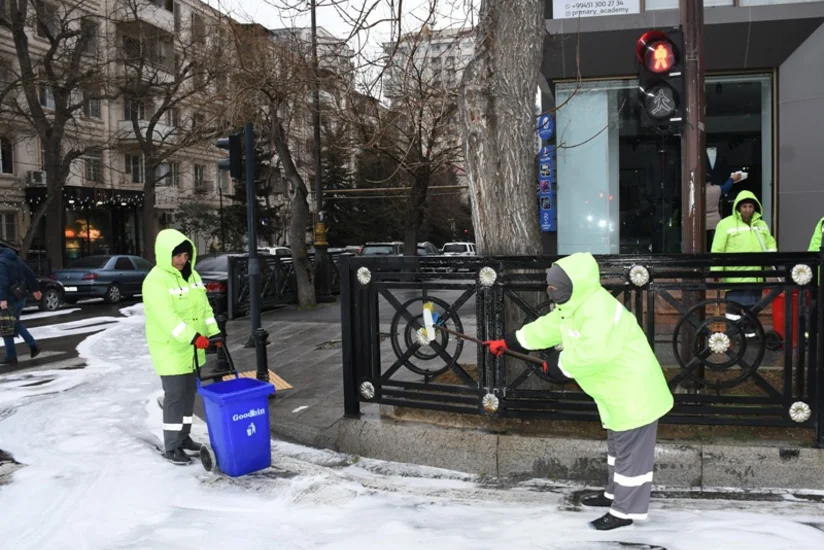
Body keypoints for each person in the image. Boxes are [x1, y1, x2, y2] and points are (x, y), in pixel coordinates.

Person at [483, 252, 673, 531]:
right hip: (616, 392)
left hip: (635, 391)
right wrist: (512, 341)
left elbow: (594, 353)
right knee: (618, 448)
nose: (551, 292)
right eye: (549, 286)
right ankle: (613, 494)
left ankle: (625, 511)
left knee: (632, 455)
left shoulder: (600, 310)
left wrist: (560, 366)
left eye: (556, 287)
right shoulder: (573, 305)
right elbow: (550, 327)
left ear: (575, 284)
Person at [143, 229, 220, 465]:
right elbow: (167, 318)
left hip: (191, 349)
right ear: (166, 255)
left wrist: (213, 331)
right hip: (171, 349)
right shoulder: (155, 280)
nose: (182, 261)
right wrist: (193, 337)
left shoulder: (192, 275)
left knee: (188, 395)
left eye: (186, 256)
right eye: (178, 256)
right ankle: (172, 446)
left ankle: (184, 438)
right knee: (175, 397)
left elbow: (204, 308)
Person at [711, 191, 777, 336]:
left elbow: (770, 243)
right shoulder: (725, 224)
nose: (747, 209)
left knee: (753, 308)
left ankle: (750, 334)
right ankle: (733, 333)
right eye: (744, 206)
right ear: (738, 208)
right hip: (735, 275)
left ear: (755, 207)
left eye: (750, 206)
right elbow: (718, 249)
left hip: (755, 275)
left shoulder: (762, 225)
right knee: (734, 307)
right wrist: (716, 270)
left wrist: (770, 261)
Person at [0, 247, 42, 366]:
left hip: (8, 299)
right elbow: (30, 274)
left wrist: (2, 298)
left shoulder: (1, 262)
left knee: (6, 325)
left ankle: (11, 356)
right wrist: (35, 290)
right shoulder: (16, 259)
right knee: (15, 323)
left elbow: (2, 281)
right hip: (20, 296)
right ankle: (33, 345)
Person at [706, 171, 743, 246]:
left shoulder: (694, 191)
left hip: (700, 221)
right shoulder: (716, 189)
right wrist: (732, 179)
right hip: (715, 221)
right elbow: (726, 187)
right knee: (715, 242)